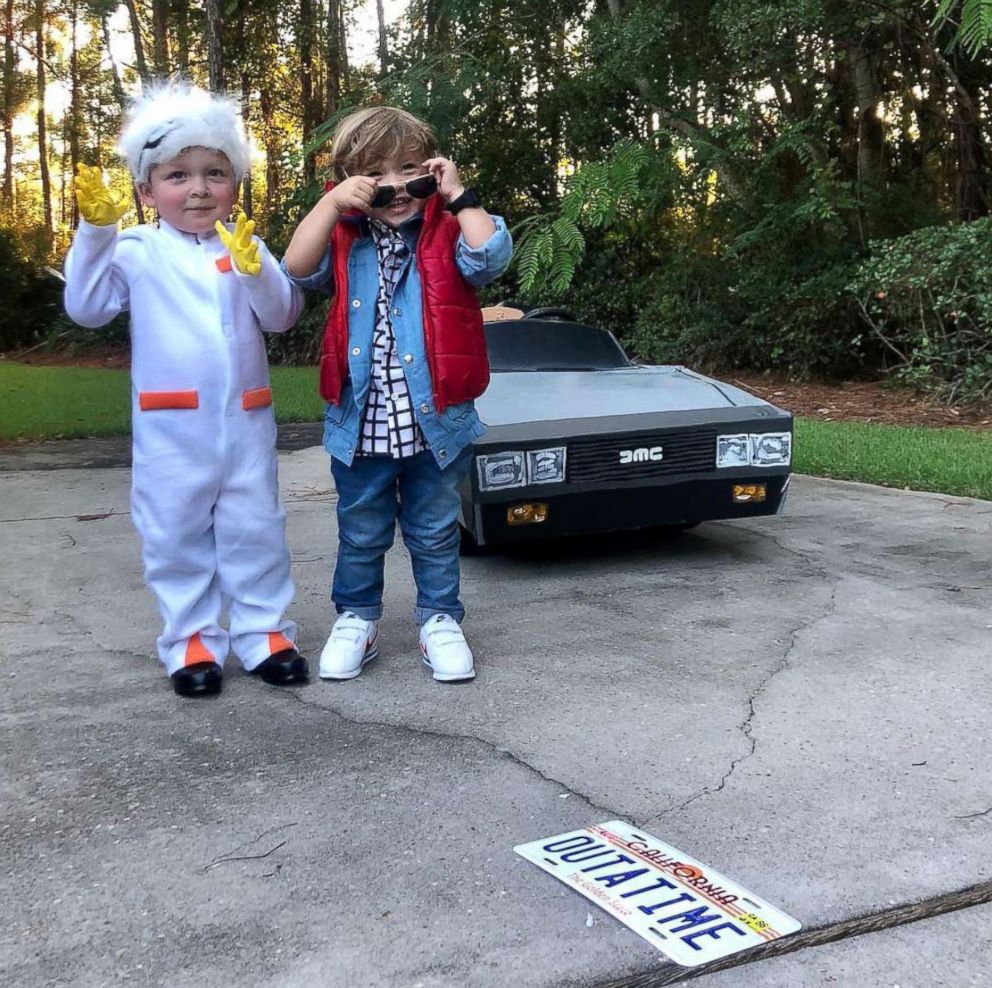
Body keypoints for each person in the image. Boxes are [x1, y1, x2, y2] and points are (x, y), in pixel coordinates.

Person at [63, 82, 309, 697]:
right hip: (173, 430)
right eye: (177, 175)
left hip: (245, 424)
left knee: (256, 528)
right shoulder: (137, 250)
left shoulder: (246, 243)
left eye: (214, 173)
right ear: (147, 191)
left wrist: (255, 272)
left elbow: (282, 316)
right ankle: (191, 640)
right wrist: (95, 233)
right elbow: (87, 308)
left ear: (234, 183)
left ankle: (263, 633)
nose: (198, 188)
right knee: (175, 533)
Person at [283, 106, 511, 683]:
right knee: (360, 531)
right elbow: (294, 266)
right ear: (349, 182)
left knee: (434, 531)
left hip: (436, 422)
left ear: (431, 172)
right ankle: (356, 619)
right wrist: (331, 204)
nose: (395, 187)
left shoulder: (448, 228)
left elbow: (491, 257)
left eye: (409, 169)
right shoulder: (342, 235)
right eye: (376, 175)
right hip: (361, 423)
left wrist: (460, 195)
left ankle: (439, 620)